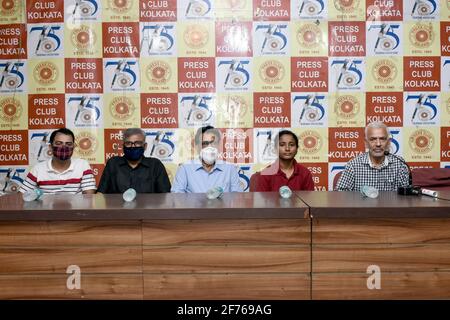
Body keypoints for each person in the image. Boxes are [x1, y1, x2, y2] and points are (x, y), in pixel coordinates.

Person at [336, 121, 409, 191]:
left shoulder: (399, 164)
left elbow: (406, 197)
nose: (378, 144)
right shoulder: (353, 165)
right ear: (366, 143)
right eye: (373, 139)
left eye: (382, 139)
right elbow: (340, 193)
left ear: (388, 142)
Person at [20, 128, 96, 194]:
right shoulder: (38, 169)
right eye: (59, 143)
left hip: (76, 210)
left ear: (73, 147)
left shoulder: (82, 165)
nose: (64, 147)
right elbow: (21, 196)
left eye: (68, 144)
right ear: (50, 147)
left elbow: (89, 198)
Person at [97, 128, 171, 193]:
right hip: (118, 208)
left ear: (145, 146)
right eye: (128, 143)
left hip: (147, 209)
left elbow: (166, 196)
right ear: (123, 146)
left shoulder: (155, 165)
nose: (133, 146)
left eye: (137, 143)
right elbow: (101, 193)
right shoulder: (113, 164)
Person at [171, 126, 242, 193]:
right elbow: (177, 197)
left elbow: (237, 198)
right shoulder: (185, 169)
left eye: (214, 143)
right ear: (197, 146)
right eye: (205, 143)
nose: (210, 147)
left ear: (219, 145)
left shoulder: (230, 169)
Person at [250, 130, 314, 192]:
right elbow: (262, 202)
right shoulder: (265, 175)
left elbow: (309, 201)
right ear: (275, 149)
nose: (287, 148)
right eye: (282, 145)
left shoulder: (305, 173)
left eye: (291, 145)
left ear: (297, 148)